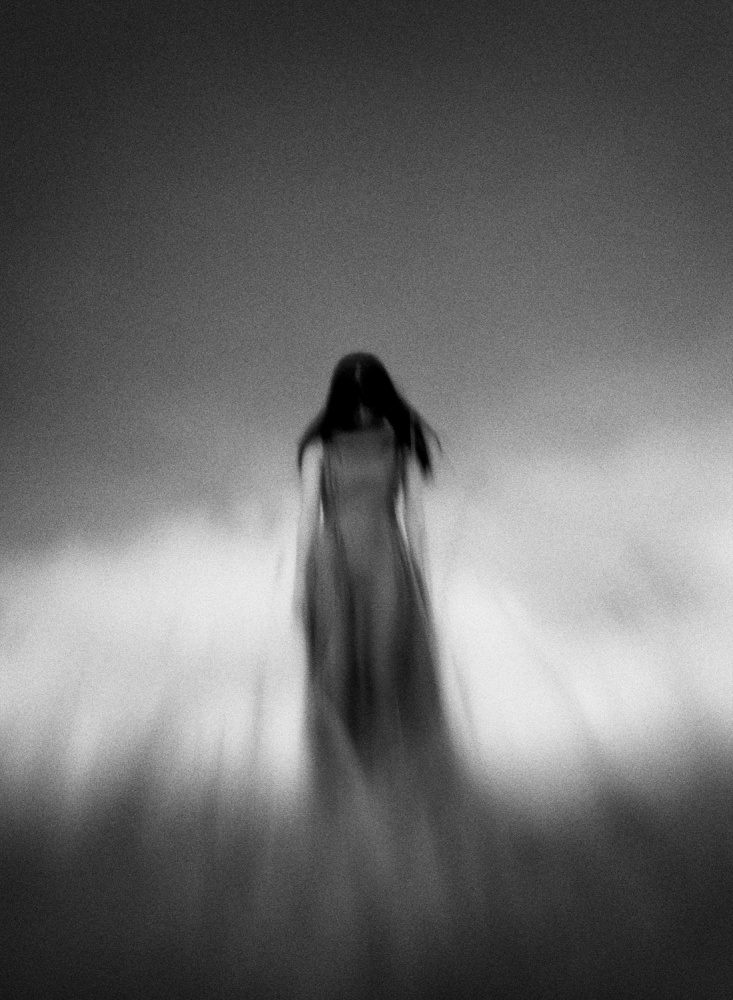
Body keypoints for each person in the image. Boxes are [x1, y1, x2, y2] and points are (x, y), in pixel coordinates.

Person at [293, 352, 446, 779]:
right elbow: (307, 516)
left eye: (369, 397)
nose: (362, 408)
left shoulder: (402, 444)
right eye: (353, 399)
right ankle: (340, 779)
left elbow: (415, 518)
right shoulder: (318, 449)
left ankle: (397, 776)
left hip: (386, 562)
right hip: (332, 562)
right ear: (339, 399)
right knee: (336, 670)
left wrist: (422, 584)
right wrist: (300, 583)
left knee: (386, 665)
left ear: (383, 395)